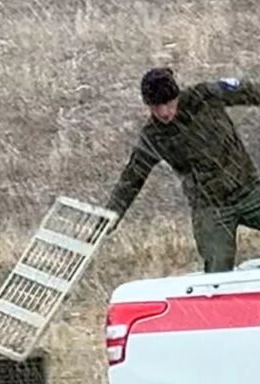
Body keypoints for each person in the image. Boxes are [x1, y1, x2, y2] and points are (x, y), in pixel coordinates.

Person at [105, 67, 260, 273]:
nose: (164, 113)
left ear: (176, 96)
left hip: (250, 192)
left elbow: (252, 92)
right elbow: (132, 178)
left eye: (168, 104)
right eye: (155, 108)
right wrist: (111, 216)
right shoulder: (154, 136)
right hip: (211, 209)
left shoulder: (205, 96)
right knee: (217, 271)